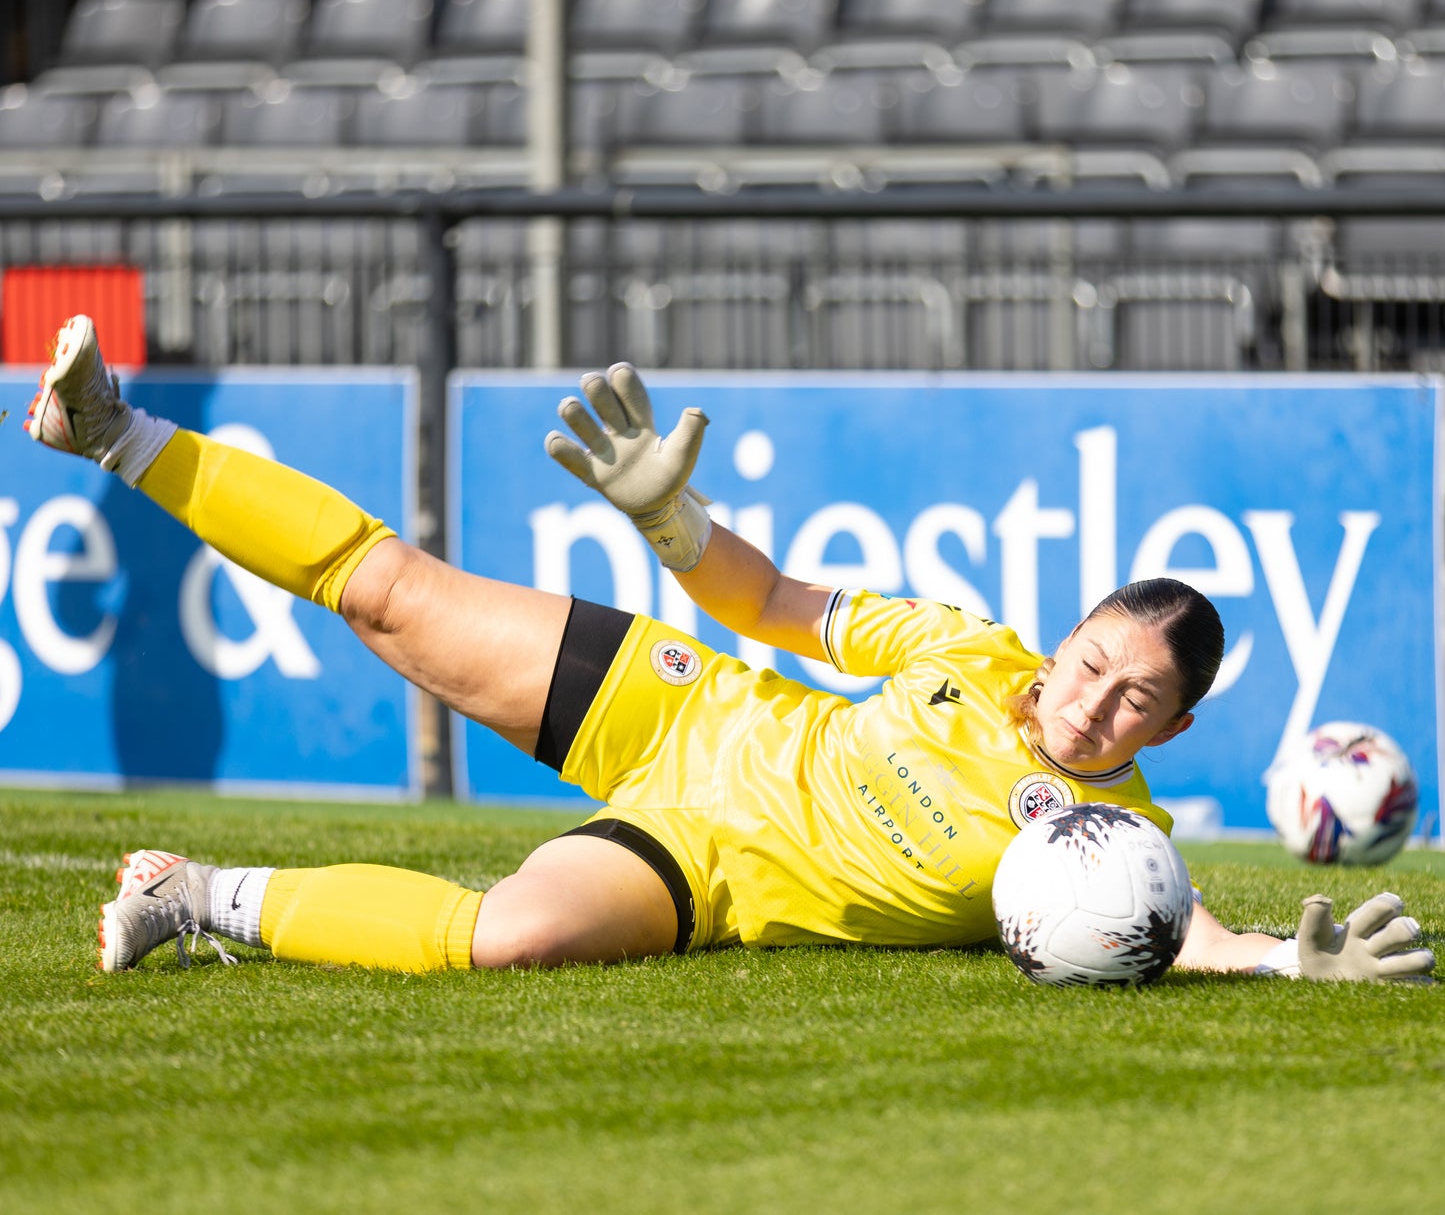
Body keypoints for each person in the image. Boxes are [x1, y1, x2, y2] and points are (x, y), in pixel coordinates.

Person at [24, 314, 1435, 985]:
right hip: (683, 719)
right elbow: (770, 601)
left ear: (1167, 731)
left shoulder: (1108, 829)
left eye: (1133, 698)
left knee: (506, 935)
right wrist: (666, 513)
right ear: (1062, 638)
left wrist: (1273, 962)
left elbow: (1165, 922)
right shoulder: (958, 640)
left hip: (709, 870)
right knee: (389, 591)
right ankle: (113, 431)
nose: (1089, 700)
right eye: (1089, 659)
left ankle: (195, 892)